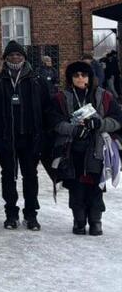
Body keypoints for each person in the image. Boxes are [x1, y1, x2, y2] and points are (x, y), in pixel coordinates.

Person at [0, 40, 53, 230]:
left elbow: (47, 109)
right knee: (8, 176)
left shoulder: (37, 80)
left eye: (18, 55)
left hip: (30, 137)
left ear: (24, 57)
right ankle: (11, 213)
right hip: (6, 137)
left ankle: (31, 214)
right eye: (11, 55)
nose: (15, 58)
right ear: (5, 58)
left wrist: (44, 136)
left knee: (30, 176)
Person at [51, 61, 122, 235]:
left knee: (96, 186)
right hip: (72, 149)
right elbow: (54, 122)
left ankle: (96, 221)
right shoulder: (61, 97)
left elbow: (117, 120)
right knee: (76, 187)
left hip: (98, 148)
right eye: (76, 75)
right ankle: (79, 221)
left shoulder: (104, 96)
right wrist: (74, 130)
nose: (80, 78)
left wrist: (99, 123)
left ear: (90, 77)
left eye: (84, 75)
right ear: (71, 78)